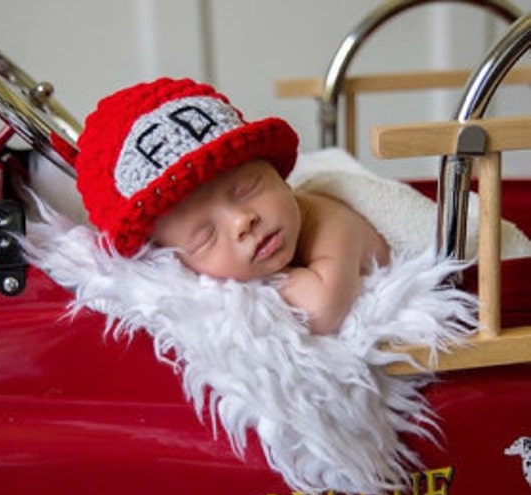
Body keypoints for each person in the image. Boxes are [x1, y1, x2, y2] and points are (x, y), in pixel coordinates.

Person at [76, 77, 390, 335]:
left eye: (247, 189)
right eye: (205, 235)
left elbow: (323, 309)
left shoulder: (329, 223)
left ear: (280, 176)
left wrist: (255, 288)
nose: (243, 221)